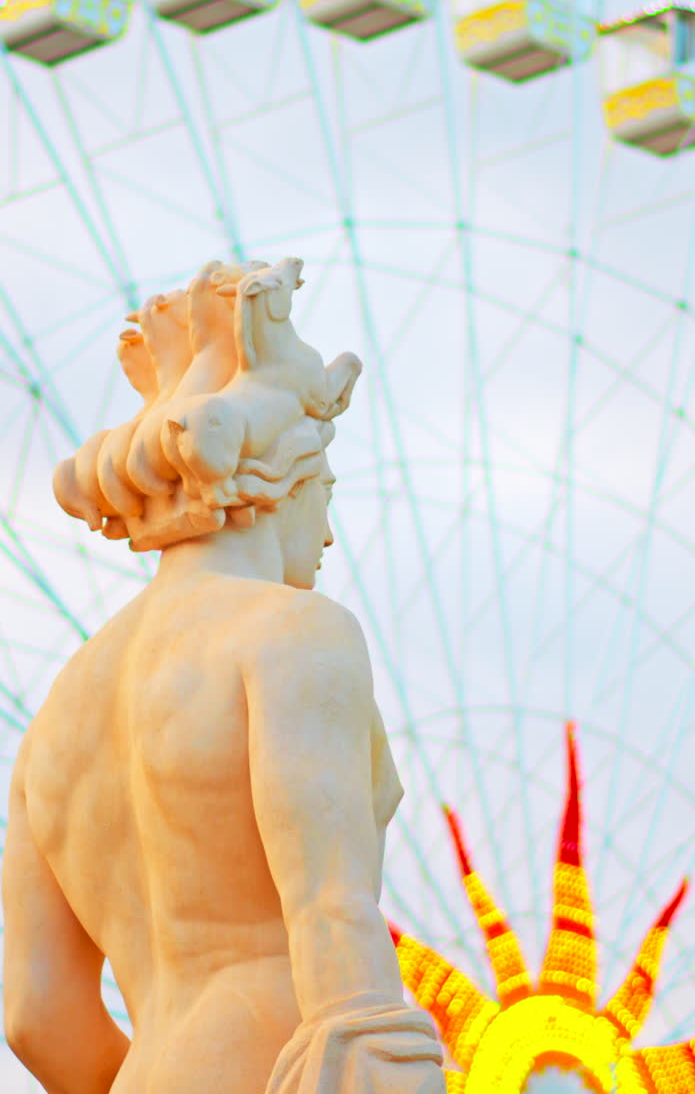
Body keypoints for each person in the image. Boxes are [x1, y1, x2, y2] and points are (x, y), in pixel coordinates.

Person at [2, 258, 445, 1093]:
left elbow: (33, 1014)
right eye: (327, 493)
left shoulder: (59, 713)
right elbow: (329, 911)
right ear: (284, 481)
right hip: (276, 1062)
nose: (327, 537)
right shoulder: (293, 633)